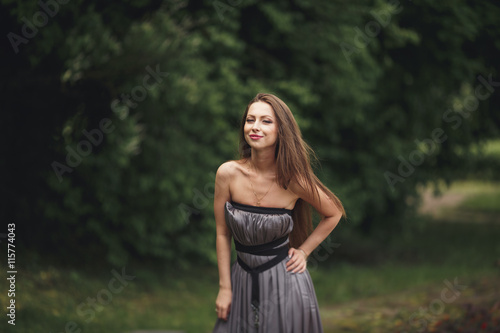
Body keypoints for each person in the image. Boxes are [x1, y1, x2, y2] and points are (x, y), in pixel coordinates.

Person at [212, 93, 346, 333]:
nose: (255, 127)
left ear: (281, 130)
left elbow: (334, 212)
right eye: (250, 120)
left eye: (266, 121)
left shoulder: (293, 180)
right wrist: (225, 287)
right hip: (240, 278)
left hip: (284, 282)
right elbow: (222, 233)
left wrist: (304, 251)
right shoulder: (228, 174)